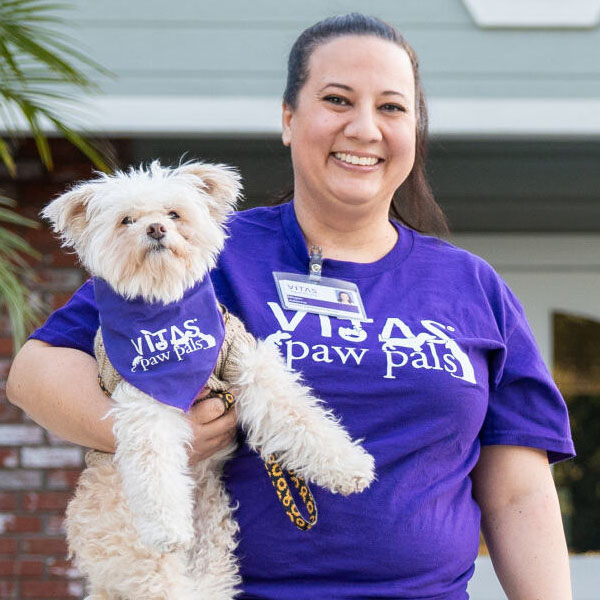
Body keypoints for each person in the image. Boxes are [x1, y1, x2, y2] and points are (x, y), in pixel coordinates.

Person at [7, 13, 574, 600]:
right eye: (337, 99)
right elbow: (35, 373)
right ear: (288, 119)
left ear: (415, 130)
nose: (364, 128)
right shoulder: (207, 253)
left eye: (392, 107)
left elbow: (517, 493)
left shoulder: (471, 286)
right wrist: (150, 432)